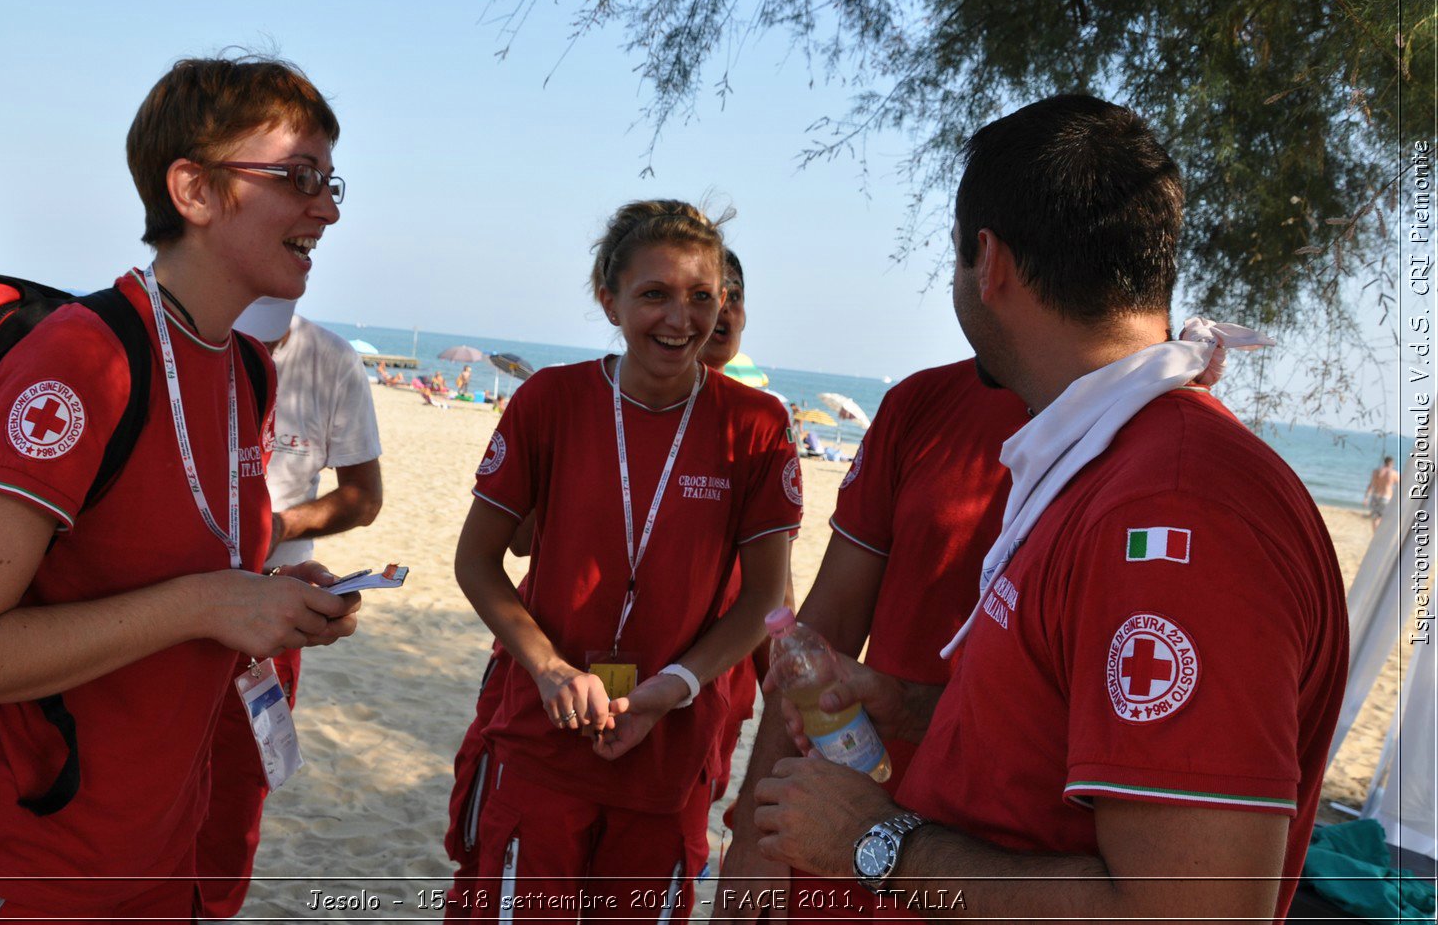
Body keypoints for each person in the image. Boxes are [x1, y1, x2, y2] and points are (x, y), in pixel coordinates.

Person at [750, 95, 1347, 921]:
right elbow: (1076, 747)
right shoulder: (1104, 461)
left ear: (987, 261)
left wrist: (879, 844)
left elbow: (1194, 909)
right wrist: (918, 705)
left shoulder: (1173, 514)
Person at [0, 56, 362, 922]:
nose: (325, 207)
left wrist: (264, 596)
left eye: (330, 181)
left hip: (153, 864)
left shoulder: (246, 370)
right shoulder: (84, 354)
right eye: (297, 177)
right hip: (15, 873)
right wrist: (206, 602)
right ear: (195, 190)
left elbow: (164, 562)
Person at [448, 201, 800, 919]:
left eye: (702, 296)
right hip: (546, 740)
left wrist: (676, 683)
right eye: (654, 294)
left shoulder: (757, 427)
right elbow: (477, 560)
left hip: (668, 750)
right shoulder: (551, 399)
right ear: (608, 298)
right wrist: (547, 667)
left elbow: (765, 597)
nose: (681, 319)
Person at [712, 359, 1028, 922]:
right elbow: (824, 627)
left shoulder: (1152, 435)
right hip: (855, 809)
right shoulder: (923, 402)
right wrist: (753, 834)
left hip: (1024, 860)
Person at [196, 295, 384, 918]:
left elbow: (362, 496)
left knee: (236, 801)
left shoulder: (329, 359)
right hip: (166, 611)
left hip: (271, 618)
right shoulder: (166, 345)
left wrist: (277, 526)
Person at [1364, 455, 1399, 529]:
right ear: (1392, 463)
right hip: (1386, 497)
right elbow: (1401, 485)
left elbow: (1371, 485)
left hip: (1375, 496)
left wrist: (1366, 497)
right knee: (1385, 518)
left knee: (1375, 518)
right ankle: (1380, 537)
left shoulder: (1375, 472)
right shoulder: (1393, 473)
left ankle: (1375, 535)